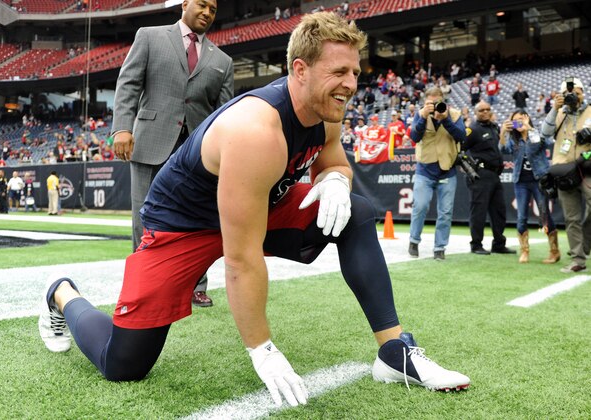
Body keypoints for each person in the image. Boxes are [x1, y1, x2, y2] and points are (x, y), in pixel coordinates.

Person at [38, 13, 469, 408]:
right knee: (124, 364)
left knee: (355, 211)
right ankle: (62, 294)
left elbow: (334, 161)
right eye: (338, 71)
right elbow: (241, 261)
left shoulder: (327, 110)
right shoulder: (256, 132)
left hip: (257, 206)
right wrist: (262, 349)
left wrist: (336, 179)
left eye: (355, 71)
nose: (351, 83)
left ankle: (394, 350)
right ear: (299, 69)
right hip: (183, 225)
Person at [112, 0, 234, 307]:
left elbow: (224, 115)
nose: (207, 12)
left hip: (198, 152)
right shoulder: (149, 36)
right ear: (185, 4)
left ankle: (196, 285)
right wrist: (122, 128)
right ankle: (144, 283)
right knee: (144, 216)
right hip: (150, 141)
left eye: (213, 10)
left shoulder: (223, 61)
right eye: (202, 5)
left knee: (200, 217)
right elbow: (128, 83)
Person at [408, 86, 466, 260]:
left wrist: (446, 118)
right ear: (426, 101)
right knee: (420, 206)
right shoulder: (421, 114)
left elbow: (461, 135)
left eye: (437, 101)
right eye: (430, 102)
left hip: (447, 169)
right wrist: (424, 116)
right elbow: (414, 137)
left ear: (443, 99)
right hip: (425, 168)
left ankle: (440, 247)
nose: (434, 105)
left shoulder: (454, 114)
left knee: (445, 212)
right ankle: (413, 240)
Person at [541, 77, 591, 273]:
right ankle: (578, 259)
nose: (573, 96)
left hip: (587, 168)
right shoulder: (559, 113)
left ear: (583, 93)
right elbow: (545, 133)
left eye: (576, 93)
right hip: (563, 170)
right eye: (569, 94)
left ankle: (584, 243)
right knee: (571, 217)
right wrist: (555, 108)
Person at [500, 110, 560, 263]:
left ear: (527, 119)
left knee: (545, 215)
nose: (518, 123)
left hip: (539, 181)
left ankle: (554, 251)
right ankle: (524, 251)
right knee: (521, 217)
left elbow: (545, 142)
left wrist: (529, 128)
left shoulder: (535, 134)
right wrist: (502, 132)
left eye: (521, 119)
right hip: (521, 182)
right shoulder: (514, 140)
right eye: (515, 121)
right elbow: (503, 149)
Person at [463, 101, 515, 255]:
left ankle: (499, 243)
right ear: (475, 112)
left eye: (487, 109)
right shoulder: (472, 130)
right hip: (481, 174)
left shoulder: (494, 127)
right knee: (478, 210)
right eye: (481, 110)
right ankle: (476, 244)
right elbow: (459, 150)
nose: (485, 112)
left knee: (499, 210)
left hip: (495, 175)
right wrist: (470, 170)